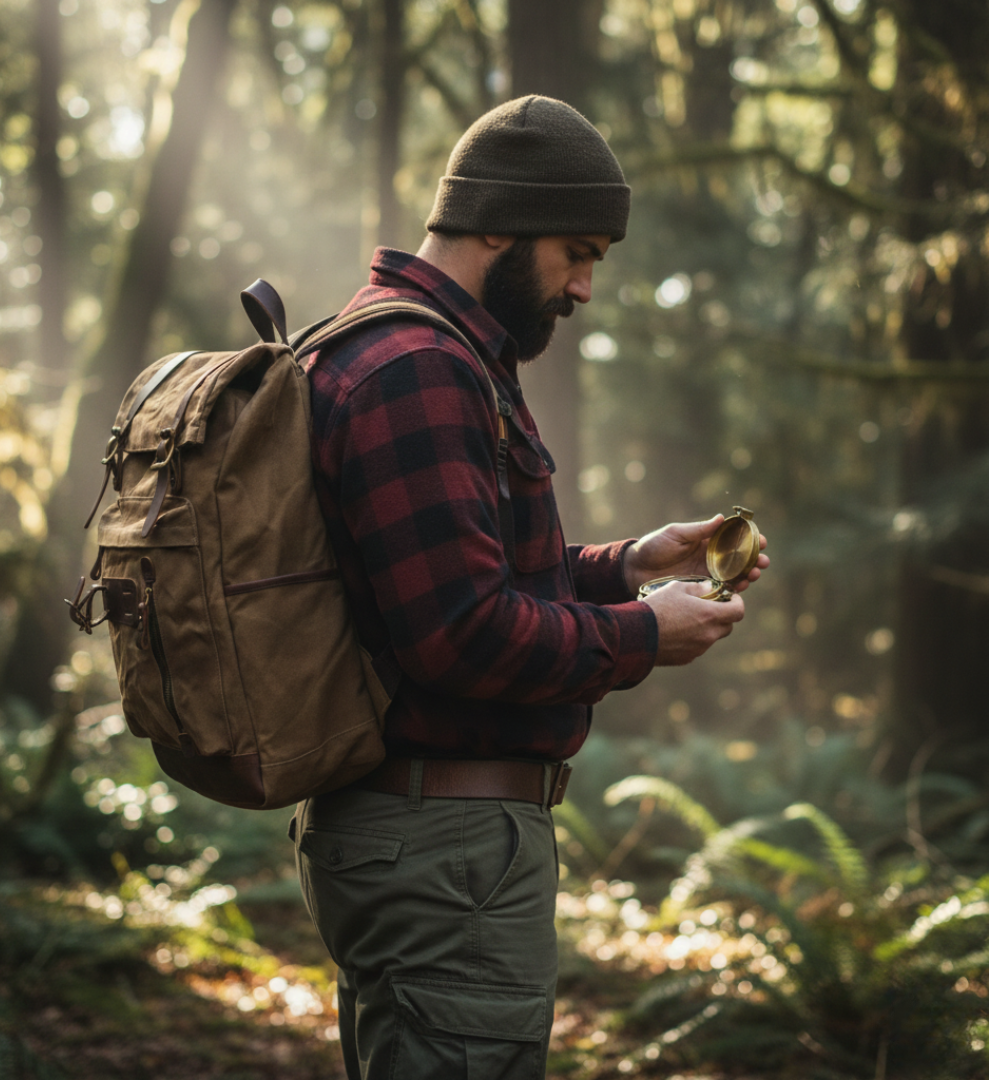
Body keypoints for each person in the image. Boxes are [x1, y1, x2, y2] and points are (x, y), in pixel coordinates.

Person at [291, 95, 768, 1080]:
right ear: (500, 222)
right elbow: (461, 633)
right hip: (446, 849)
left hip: (426, 841)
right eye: (576, 253)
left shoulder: (412, 348)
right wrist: (644, 636)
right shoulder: (419, 368)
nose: (585, 287)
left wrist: (634, 564)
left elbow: (455, 579)